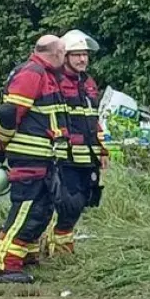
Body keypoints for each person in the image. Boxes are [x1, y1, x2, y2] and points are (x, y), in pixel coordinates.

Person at [0, 34, 68, 284]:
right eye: (64, 53)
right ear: (54, 54)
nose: (65, 58)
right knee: (26, 209)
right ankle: (5, 264)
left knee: (41, 210)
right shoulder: (32, 73)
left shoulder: (47, 75)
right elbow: (11, 113)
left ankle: (25, 256)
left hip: (45, 158)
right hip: (30, 156)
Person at [49, 29, 108, 257]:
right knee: (68, 202)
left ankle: (62, 246)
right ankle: (58, 249)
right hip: (65, 156)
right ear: (65, 57)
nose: (83, 59)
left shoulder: (88, 82)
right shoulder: (56, 81)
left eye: (85, 54)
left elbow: (94, 120)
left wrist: (102, 149)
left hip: (88, 156)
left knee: (83, 201)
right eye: (77, 55)